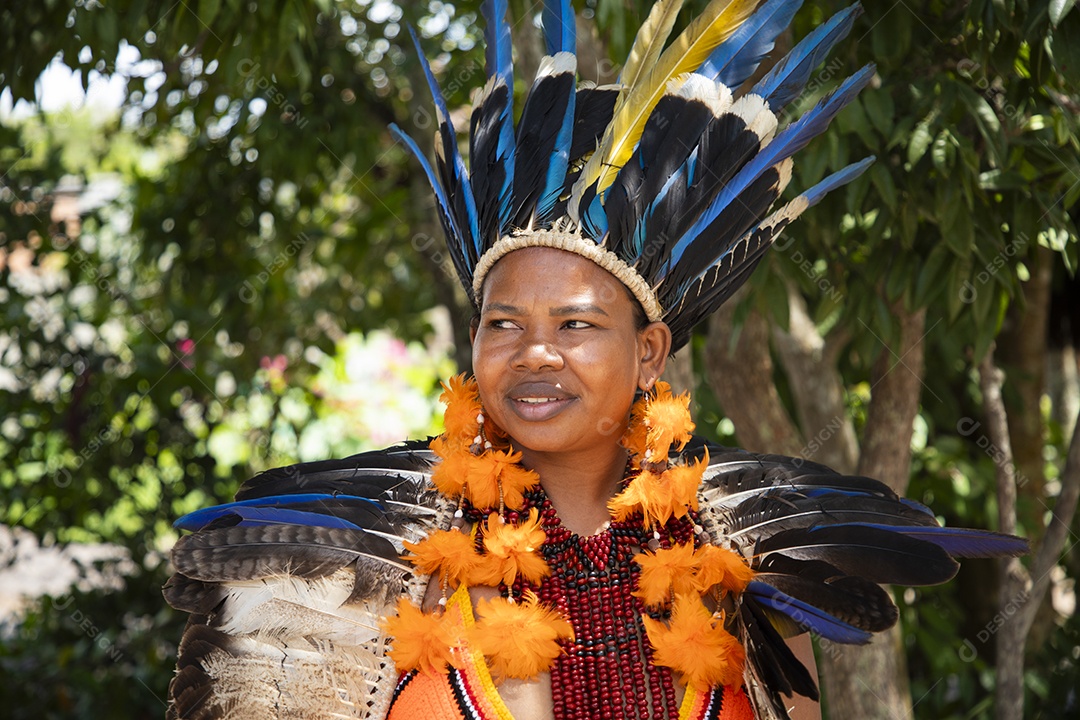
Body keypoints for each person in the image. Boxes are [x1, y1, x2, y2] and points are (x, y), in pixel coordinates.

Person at [164, 1, 1027, 719]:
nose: (534, 353)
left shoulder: (736, 560)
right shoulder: (375, 560)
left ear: (649, 350)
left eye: (575, 326)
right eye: (502, 324)